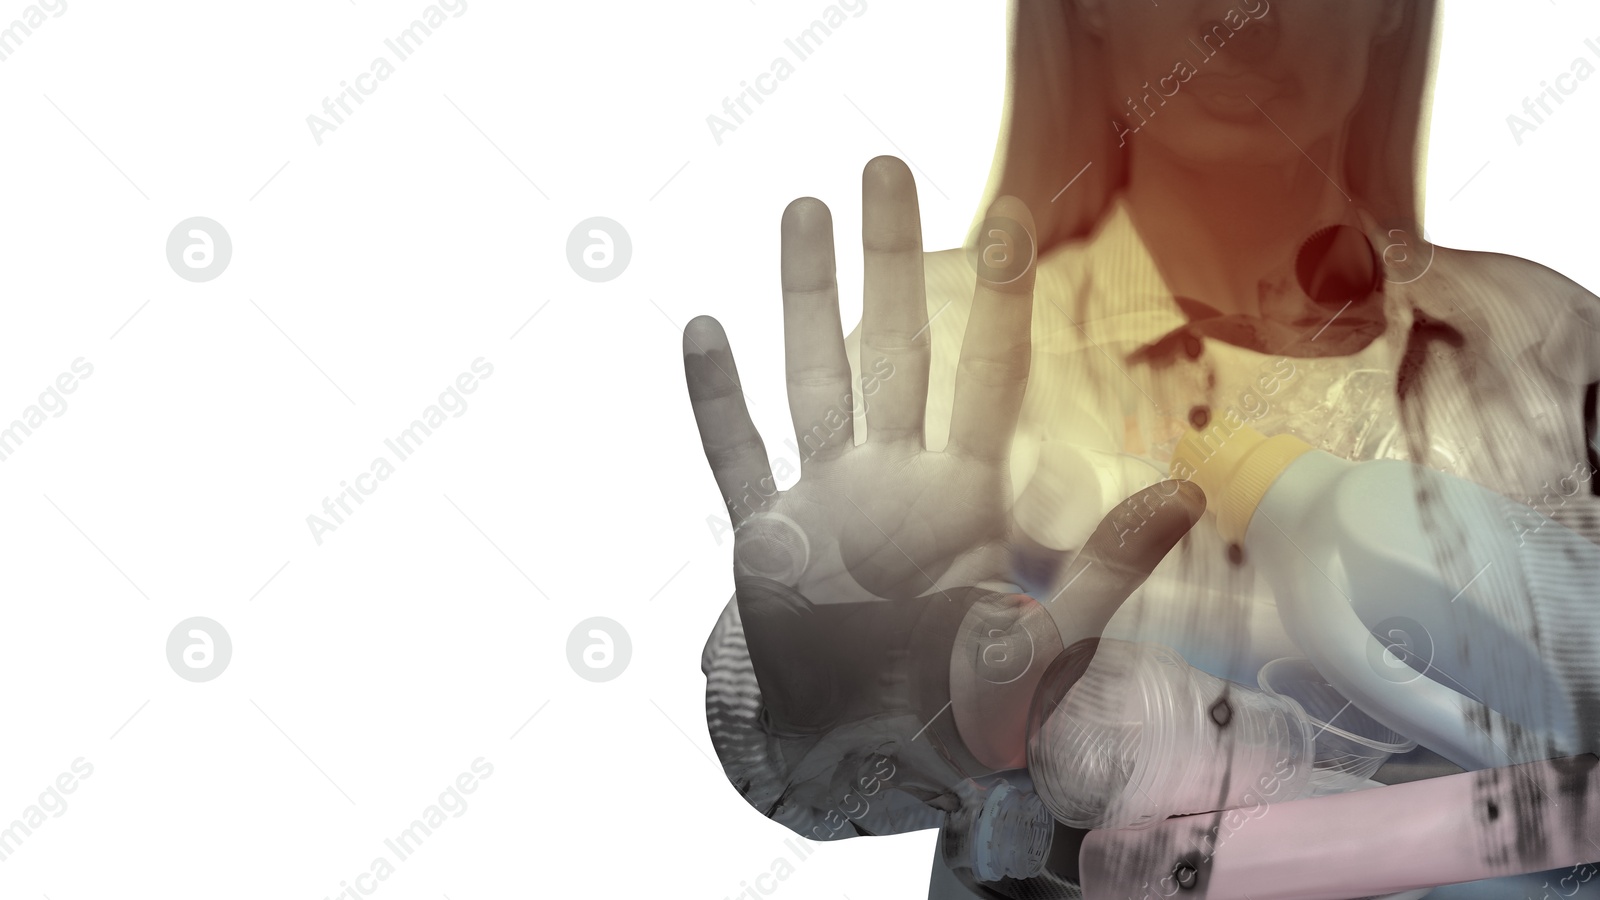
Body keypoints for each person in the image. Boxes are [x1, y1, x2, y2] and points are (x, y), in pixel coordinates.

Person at [685, 1, 1600, 897]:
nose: (1238, 17)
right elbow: (824, 768)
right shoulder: (952, 350)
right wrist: (897, 679)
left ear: (1392, 12)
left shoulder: (1541, 345)